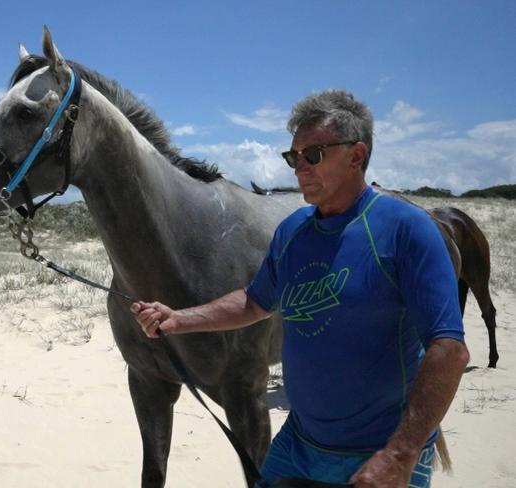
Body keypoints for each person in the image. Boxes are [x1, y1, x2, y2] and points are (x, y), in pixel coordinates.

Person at [131, 89, 469, 488]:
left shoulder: (405, 230)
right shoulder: (293, 231)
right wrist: (177, 319)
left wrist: (401, 453)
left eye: (313, 155)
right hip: (300, 443)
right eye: (293, 157)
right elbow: (254, 302)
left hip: (377, 453)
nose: (299, 168)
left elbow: (449, 350)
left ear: (357, 155)